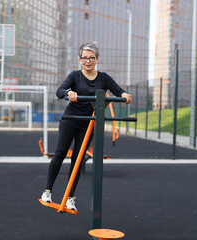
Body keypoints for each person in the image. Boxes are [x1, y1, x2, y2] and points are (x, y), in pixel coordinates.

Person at [41, 42, 132, 211]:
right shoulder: (75, 76)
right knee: (61, 152)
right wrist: (69, 93)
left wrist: (124, 94)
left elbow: (117, 90)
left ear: (97, 59)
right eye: (84, 58)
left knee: (78, 159)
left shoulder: (103, 78)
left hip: (88, 124)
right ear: (80, 59)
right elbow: (59, 91)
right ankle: (47, 191)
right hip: (71, 119)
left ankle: (70, 197)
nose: (88, 61)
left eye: (91, 58)